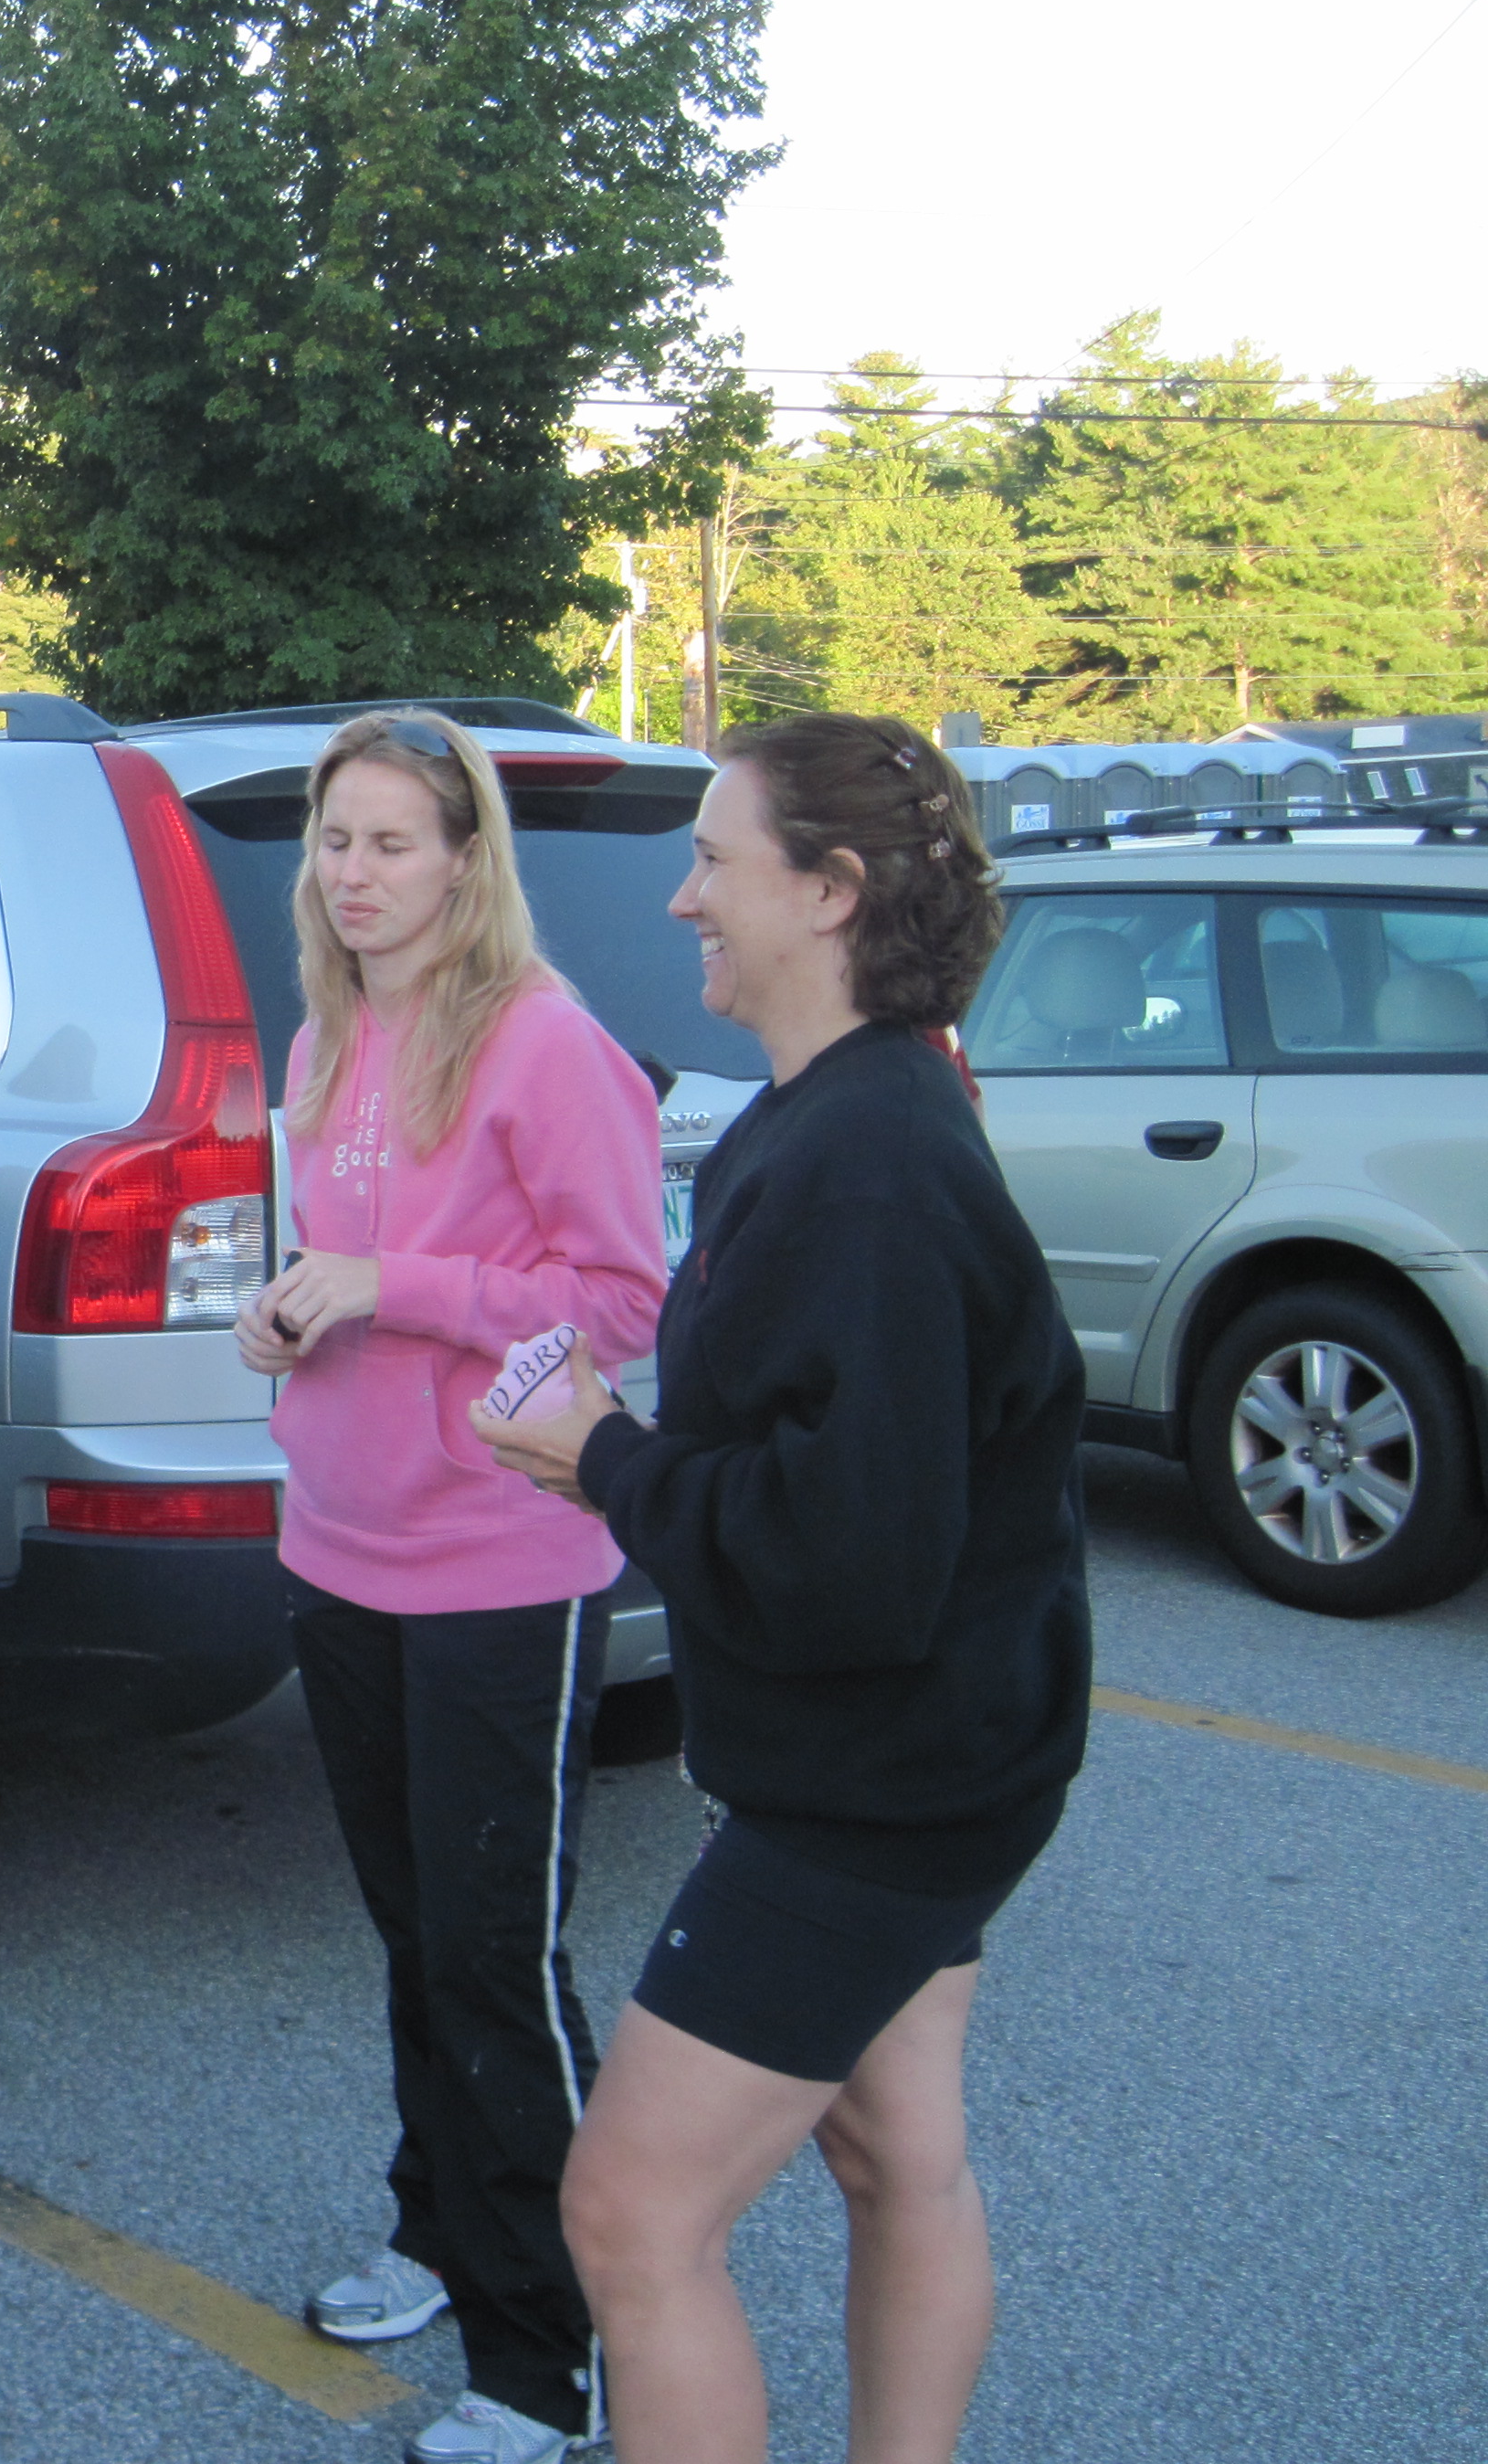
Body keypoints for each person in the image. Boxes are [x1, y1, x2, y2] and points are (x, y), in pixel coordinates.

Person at [479, 714, 1089, 2464]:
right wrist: (620, 1443)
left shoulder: (871, 1163)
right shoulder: (845, 1108)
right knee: (897, 2152)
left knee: (630, 2216)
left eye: (712, 861)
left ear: (829, 893)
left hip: (877, 1788)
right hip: (944, 1752)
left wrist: (601, 1453)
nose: (681, 901)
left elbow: (851, 1565)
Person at [231, 709, 668, 2464]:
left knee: (495, 1962)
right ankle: (441, 2233)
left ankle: (556, 2358)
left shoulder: (546, 1043)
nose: (354, 874)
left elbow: (621, 1304)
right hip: (341, 1550)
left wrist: (390, 1286)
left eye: (393, 843)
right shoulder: (328, 1031)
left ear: (467, 859)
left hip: (500, 1562)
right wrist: (287, 1309)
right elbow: (335, 1265)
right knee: (420, 1939)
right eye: (336, 840)